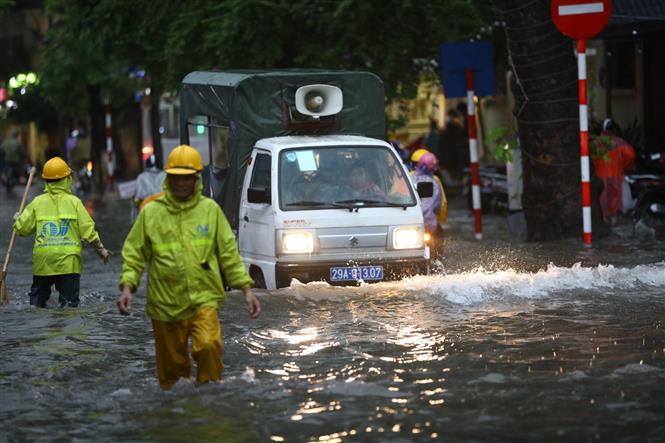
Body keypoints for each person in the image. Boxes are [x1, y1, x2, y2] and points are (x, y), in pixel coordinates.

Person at [116, 144, 261, 390]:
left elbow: (228, 253)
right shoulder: (151, 213)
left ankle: (210, 401)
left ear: (196, 180)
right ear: (168, 179)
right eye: (176, 178)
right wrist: (128, 287)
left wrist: (246, 289)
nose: (182, 184)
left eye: (187, 179)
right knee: (172, 379)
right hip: (165, 305)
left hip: (203, 300)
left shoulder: (210, 211)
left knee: (208, 346)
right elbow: (134, 254)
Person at [13, 157, 111, 307]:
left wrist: (18, 219)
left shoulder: (37, 202)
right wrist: (100, 250)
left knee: (37, 303)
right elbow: (88, 231)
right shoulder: (75, 202)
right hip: (69, 262)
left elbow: (22, 229)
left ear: (46, 180)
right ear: (67, 179)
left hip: (43, 261)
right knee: (69, 305)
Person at [592, 118, 635, 225]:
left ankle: (603, 220)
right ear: (614, 129)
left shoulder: (595, 143)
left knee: (602, 198)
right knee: (615, 199)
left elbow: (590, 158)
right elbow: (631, 155)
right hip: (616, 175)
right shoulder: (620, 143)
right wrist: (623, 166)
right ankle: (613, 220)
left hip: (600, 176)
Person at [412, 152, 445, 236]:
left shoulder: (408, 178)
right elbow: (439, 206)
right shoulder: (435, 182)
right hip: (430, 226)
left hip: (410, 222)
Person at [1, 128, 25, 193]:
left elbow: (2, 151)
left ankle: (9, 181)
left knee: (7, 171)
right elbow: (22, 153)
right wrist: (23, 159)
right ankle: (20, 178)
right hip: (15, 161)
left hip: (7, 160)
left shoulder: (5, 142)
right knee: (20, 170)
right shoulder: (17, 142)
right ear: (17, 136)